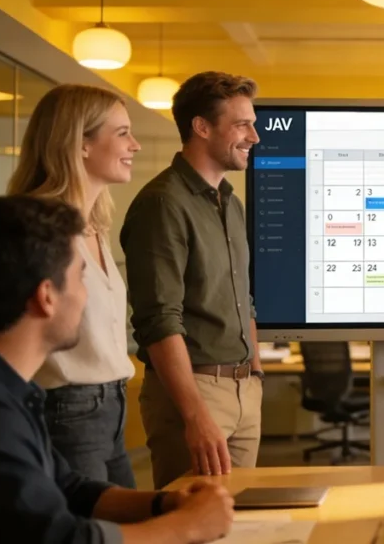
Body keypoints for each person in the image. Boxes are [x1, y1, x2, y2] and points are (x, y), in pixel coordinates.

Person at [0, 196, 236, 543]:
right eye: (81, 279)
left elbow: (68, 487)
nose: (86, 296)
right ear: (46, 297)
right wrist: (189, 525)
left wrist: (167, 503)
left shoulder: (0, 385)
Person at [121, 71, 264, 489]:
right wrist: (196, 413)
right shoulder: (163, 203)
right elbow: (159, 320)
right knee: (193, 526)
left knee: (241, 524)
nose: (254, 136)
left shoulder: (229, 204)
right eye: (241, 124)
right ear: (201, 127)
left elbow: (243, 297)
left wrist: (253, 373)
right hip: (196, 392)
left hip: (242, 390)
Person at [5, 84, 140, 488]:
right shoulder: (38, 227)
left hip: (111, 406)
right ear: (81, 143)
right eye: (122, 133)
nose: (134, 144)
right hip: (68, 406)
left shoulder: (94, 228)